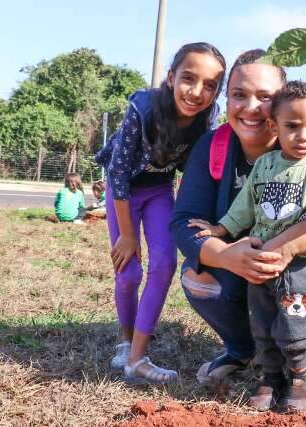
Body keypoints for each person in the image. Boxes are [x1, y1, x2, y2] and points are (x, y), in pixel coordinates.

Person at [170, 49, 306, 405]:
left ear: (284, 101)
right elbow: (183, 221)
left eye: (265, 97)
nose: (252, 107)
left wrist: (290, 244)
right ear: (227, 98)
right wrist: (225, 254)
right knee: (200, 280)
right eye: (239, 95)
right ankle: (245, 350)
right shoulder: (214, 145)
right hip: (250, 271)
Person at [190, 81, 306, 412]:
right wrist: (221, 228)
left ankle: (298, 379)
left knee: (296, 323)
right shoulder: (265, 165)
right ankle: (269, 378)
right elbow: (246, 206)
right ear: (274, 126)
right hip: (261, 262)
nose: (302, 135)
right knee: (263, 322)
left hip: (302, 265)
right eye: (292, 126)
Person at [94, 42, 226, 384]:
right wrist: (126, 235)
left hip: (158, 191)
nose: (197, 92)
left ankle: (137, 357)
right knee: (128, 273)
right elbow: (118, 173)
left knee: (165, 263)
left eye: (210, 85)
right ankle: (126, 344)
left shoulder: (206, 119)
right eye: (188, 78)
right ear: (171, 77)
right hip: (122, 191)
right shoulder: (143, 108)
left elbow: (193, 171)